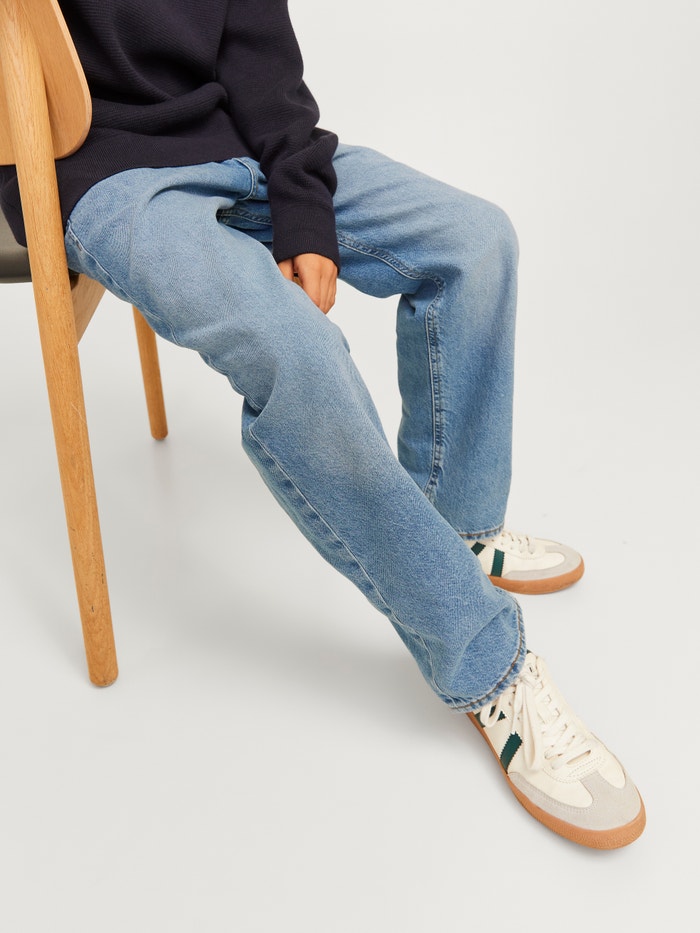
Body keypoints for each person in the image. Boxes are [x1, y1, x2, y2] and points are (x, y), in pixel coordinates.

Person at [0, 0, 644, 848]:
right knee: (297, 353)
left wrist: (302, 203)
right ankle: (488, 662)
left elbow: (261, 56)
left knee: (477, 240)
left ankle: (456, 532)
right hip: (102, 177)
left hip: (236, 145)